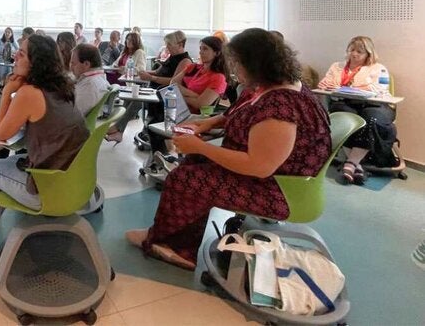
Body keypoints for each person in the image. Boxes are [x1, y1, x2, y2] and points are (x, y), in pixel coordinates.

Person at [126, 28, 331, 271]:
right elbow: (242, 113)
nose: (234, 71)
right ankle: (169, 237)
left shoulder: (281, 106)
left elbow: (259, 166)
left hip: (279, 190)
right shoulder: (274, 87)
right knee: (192, 165)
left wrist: (201, 147)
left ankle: (175, 247)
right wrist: (211, 122)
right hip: (273, 178)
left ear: (254, 65)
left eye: (238, 64)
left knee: (184, 179)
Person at [0, 35, 90, 288]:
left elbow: (1, 134)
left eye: (22, 53)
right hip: (74, 184)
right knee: (7, 166)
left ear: (37, 62)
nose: (15, 56)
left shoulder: (29, 93)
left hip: (47, 191)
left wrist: (8, 91)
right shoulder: (64, 87)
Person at [317, 36, 394, 184]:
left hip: (374, 105)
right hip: (346, 103)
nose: (354, 54)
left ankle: (350, 163)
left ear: (369, 54)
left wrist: (347, 88)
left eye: (360, 51)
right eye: (352, 50)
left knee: (370, 119)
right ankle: (355, 165)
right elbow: (326, 82)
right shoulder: (337, 66)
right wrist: (325, 84)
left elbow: (379, 88)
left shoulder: (379, 68)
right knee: (346, 119)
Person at [146, 36, 227, 157]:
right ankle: (162, 155)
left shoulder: (218, 78)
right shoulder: (194, 67)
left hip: (194, 115)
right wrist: (194, 95)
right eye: (200, 48)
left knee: (159, 104)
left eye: (205, 49)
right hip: (178, 108)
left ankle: (162, 156)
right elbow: (173, 83)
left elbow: (201, 104)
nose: (201, 52)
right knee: (160, 94)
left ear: (216, 53)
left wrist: (179, 92)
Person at [70, 43, 109, 116]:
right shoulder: (98, 78)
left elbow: (72, 114)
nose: (70, 67)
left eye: (73, 63)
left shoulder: (90, 85)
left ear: (86, 64)